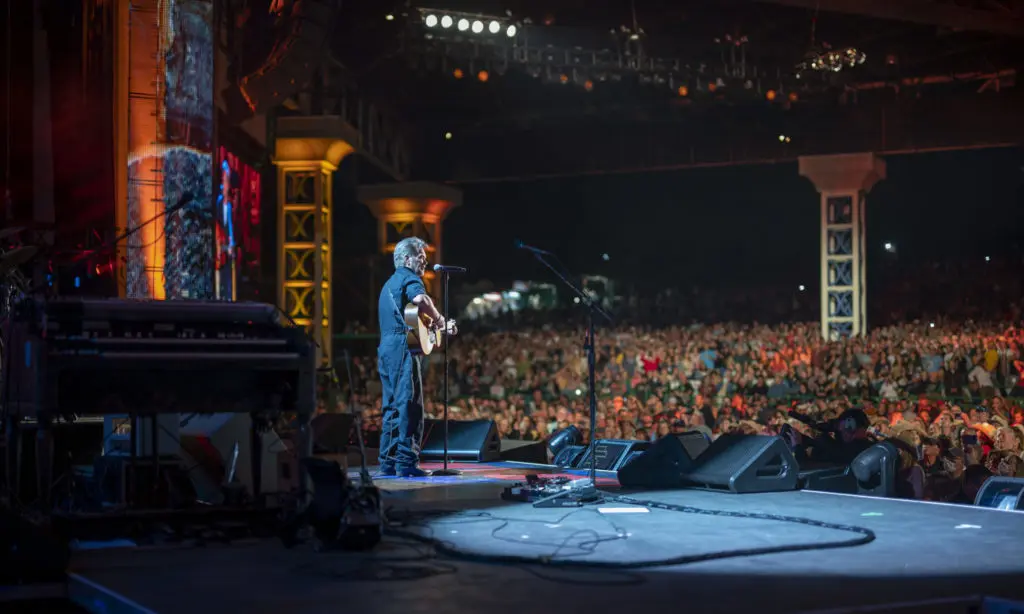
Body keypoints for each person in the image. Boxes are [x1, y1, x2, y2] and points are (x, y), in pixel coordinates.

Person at [376, 237, 457, 477]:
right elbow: (420, 300)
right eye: (421, 258)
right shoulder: (409, 277)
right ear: (407, 259)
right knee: (410, 405)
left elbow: (412, 319)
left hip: (386, 348)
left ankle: (388, 461)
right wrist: (441, 320)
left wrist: (435, 330)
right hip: (401, 347)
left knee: (391, 407)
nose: (425, 262)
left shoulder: (389, 284)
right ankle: (407, 462)